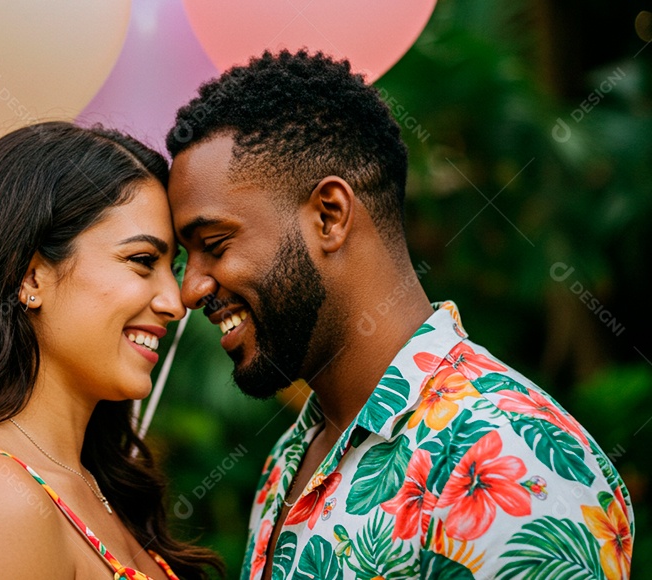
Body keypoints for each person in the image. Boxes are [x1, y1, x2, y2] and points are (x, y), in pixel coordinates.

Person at [164, 50, 634, 579]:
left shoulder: (513, 459)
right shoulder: (288, 458)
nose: (190, 289)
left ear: (329, 216)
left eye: (215, 243)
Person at [0, 122, 224, 580]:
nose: (175, 302)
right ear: (31, 278)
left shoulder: (89, 482)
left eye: (174, 267)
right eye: (142, 261)